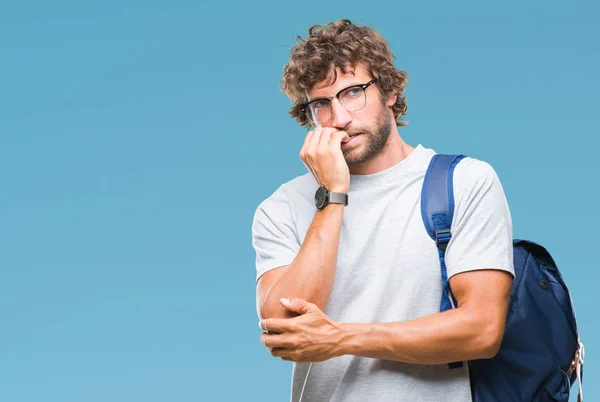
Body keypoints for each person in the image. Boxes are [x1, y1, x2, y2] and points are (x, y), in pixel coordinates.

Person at [251, 19, 514, 402]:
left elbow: (483, 330)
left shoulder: (464, 182)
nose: (339, 118)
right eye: (321, 104)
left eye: (353, 92)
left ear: (389, 90)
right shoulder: (282, 207)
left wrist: (343, 338)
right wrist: (333, 194)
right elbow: (283, 328)